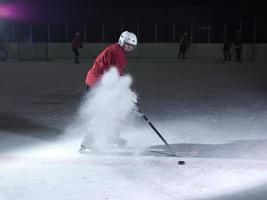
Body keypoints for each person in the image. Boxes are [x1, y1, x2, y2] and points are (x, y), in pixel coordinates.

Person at [80, 31, 138, 151]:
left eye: (132, 46)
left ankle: (112, 137)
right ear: (122, 41)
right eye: (127, 44)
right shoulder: (118, 53)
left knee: (119, 110)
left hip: (102, 82)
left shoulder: (118, 50)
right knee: (103, 113)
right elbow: (116, 76)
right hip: (97, 84)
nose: (129, 47)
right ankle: (88, 141)